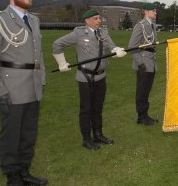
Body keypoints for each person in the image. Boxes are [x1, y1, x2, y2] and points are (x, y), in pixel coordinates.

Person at [0, 0, 48, 186]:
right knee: (12, 135)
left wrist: (42, 78)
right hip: (12, 88)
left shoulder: (34, 20)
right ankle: (12, 176)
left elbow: (38, 54)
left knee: (28, 133)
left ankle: (24, 172)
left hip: (33, 86)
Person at [53, 9, 126, 150]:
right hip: (85, 78)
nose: (99, 21)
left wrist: (117, 50)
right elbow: (57, 44)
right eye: (95, 18)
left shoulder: (103, 33)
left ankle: (98, 134)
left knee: (98, 108)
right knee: (86, 109)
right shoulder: (79, 33)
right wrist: (62, 63)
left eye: (99, 18)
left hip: (101, 76)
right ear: (87, 21)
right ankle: (86, 139)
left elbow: (111, 47)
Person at [128, 3, 159, 125]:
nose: (155, 13)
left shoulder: (152, 25)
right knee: (142, 90)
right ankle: (141, 116)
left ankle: (145, 115)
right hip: (144, 61)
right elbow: (132, 46)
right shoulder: (140, 26)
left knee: (146, 90)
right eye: (153, 11)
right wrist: (140, 63)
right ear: (146, 12)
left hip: (151, 60)